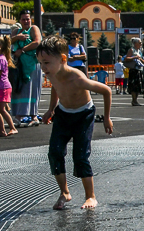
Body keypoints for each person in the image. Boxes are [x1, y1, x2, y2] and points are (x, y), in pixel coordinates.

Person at [37, 36, 114, 210]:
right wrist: (51, 109)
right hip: (63, 114)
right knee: (54, 152)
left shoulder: (77, 78)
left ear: (63, 59)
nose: (43, 68)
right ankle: (64, 192)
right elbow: (55, 90)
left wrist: (107, 117)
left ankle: (90, 196)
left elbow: (106, 91)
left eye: (47, 63)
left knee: (80, 156)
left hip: (83, 115)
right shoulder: (52, 73)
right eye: (41, 63)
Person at [10, 10, 43, 126]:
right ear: (20, 20)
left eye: (27, 18)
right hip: (19, 66)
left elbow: (37, 42)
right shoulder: (16, 31)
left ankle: (33, 115)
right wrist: (18, 37)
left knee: (32, 89)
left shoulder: (34, 28)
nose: (26, 21)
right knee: (19, 89)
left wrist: (22, 50)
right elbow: (8, 41)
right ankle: (19, 115)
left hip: (32, 65)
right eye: (23, 19)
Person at [124, 38, 144, 106]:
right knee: (133, 86)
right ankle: (134, 100)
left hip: (139, 69)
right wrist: (134, 57)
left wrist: (141, 60)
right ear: (135, 43)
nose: (141, 44)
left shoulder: (140, 51)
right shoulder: (131, 50)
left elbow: (142, 60)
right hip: (133, 70)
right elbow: (126, 58)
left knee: (138, 86)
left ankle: (135, 100)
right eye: (139, 43)